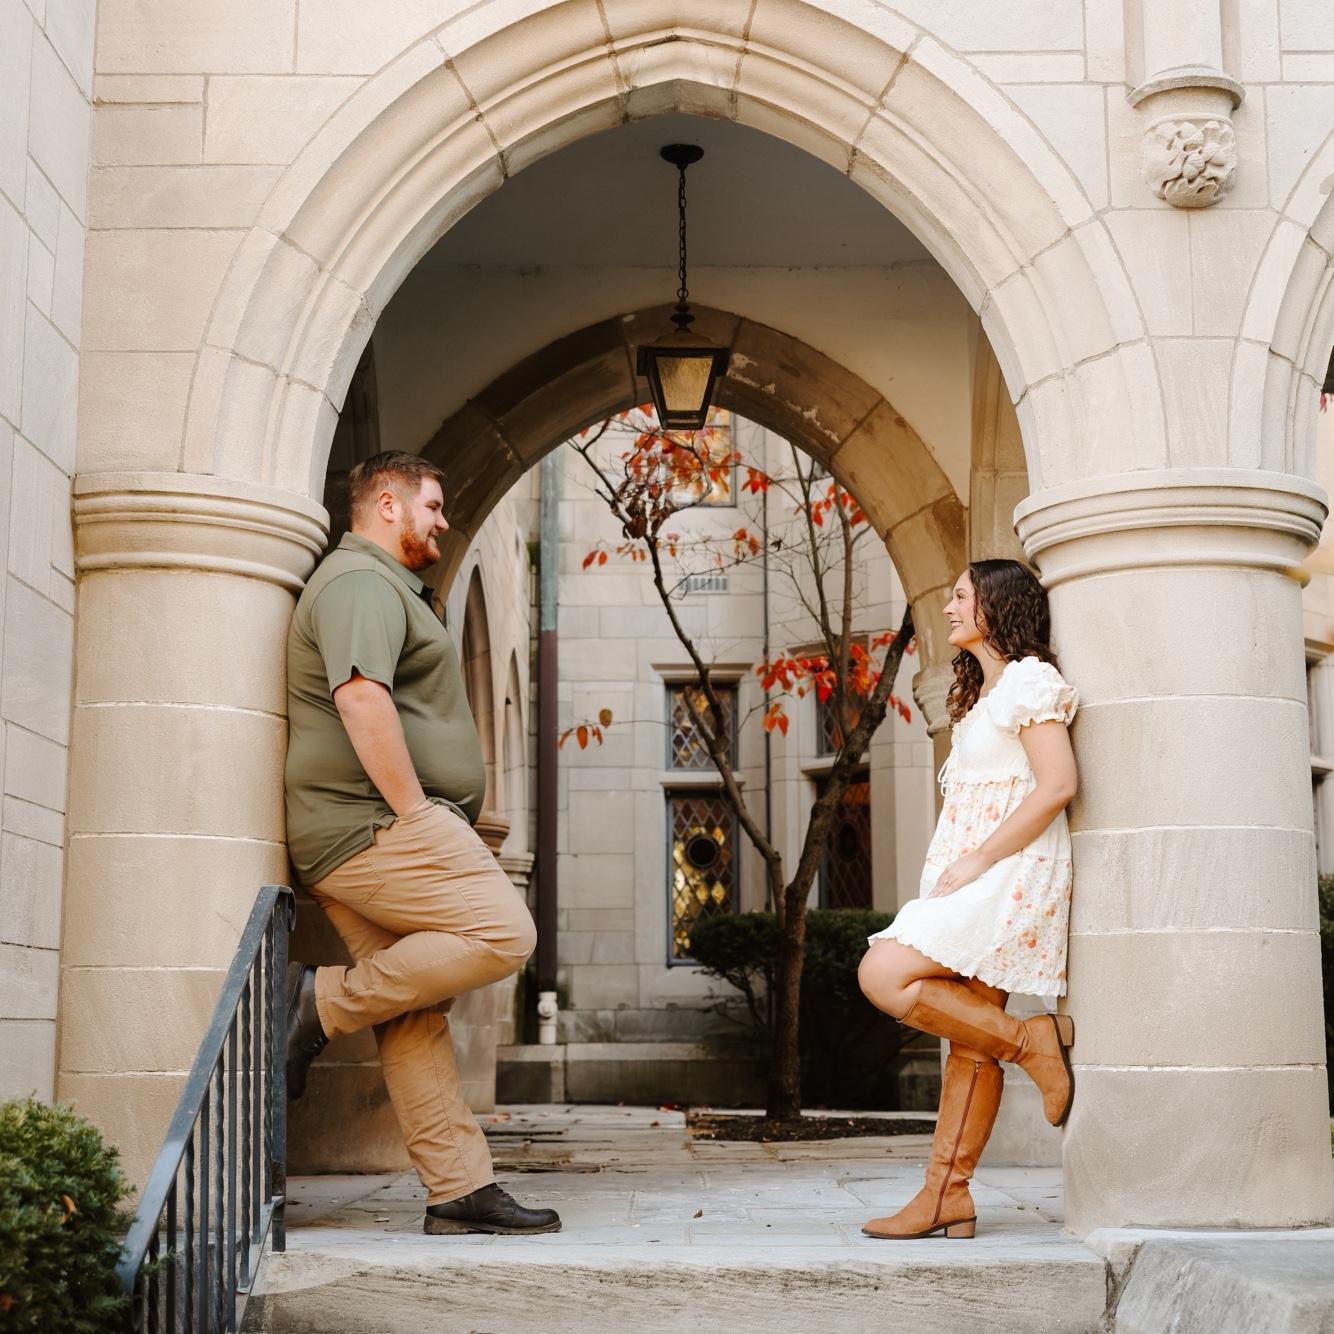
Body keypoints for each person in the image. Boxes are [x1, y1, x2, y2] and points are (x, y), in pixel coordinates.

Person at [283, 450, 559, 1236]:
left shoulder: (382, 585)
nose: (441, 520)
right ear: (386, 503)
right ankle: (319, 1001)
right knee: (506, 931)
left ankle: (457, 1189)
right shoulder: (362, 581)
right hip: (373, 826)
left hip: (361, 830)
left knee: (412, 1013)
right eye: (432, 506)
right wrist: (418, 813)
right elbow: (361, 695)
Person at [857, 559, 1078, 1241]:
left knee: (883, 973)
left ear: (996, 605)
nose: (949, 607)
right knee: (968, 1044)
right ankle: (945, 1195)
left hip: (1009, 877)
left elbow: (1057, 784)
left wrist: (980, 858)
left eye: (959, 596)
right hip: (978, 878)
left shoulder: (1030, 682)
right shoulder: (985, 696)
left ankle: (1031, 1040)